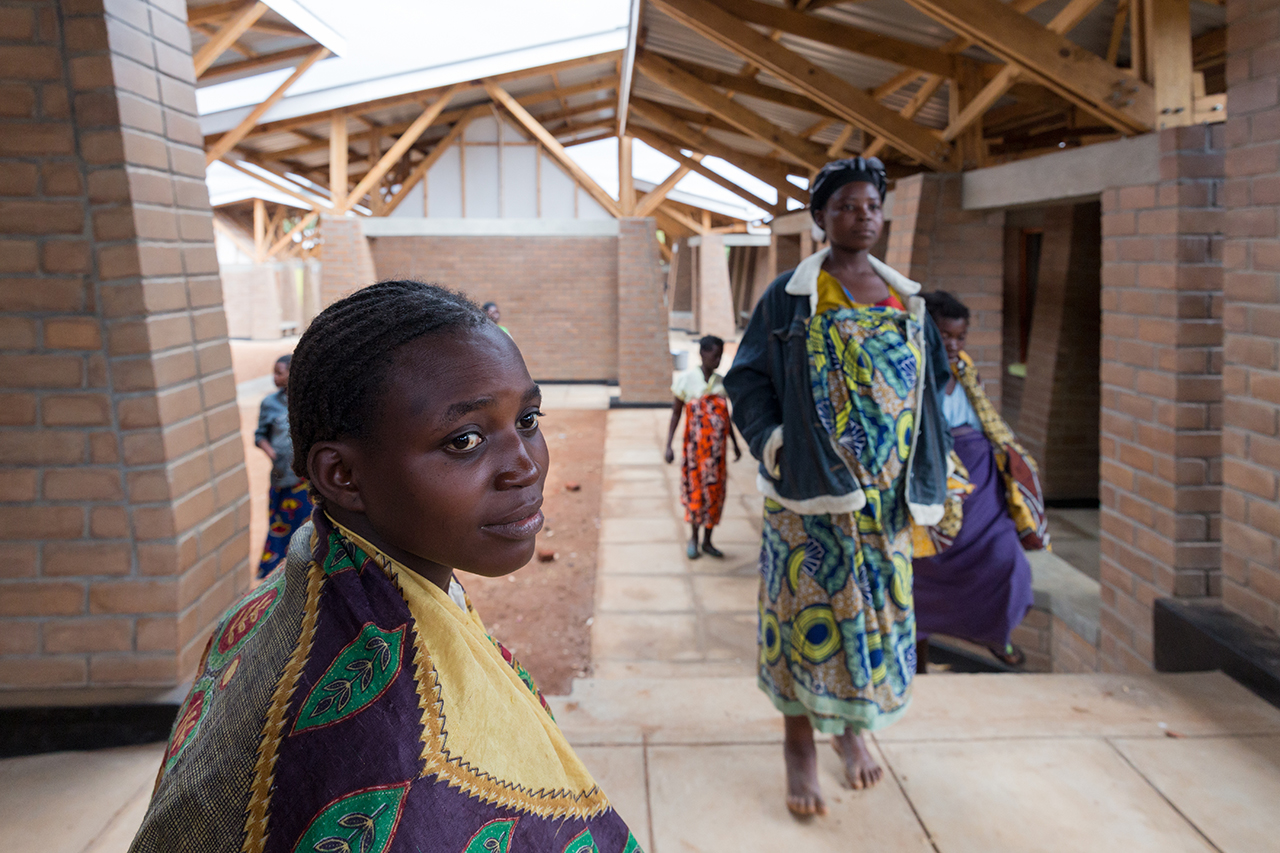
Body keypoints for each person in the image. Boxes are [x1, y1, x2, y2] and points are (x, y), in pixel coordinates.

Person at [130, 281, 641, 853]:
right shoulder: (390, 762)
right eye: (465, 439)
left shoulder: (297, 584)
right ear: (343, 475)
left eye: (527, 419)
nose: (524, 466)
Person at [725, 157, 953, 815]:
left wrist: (926, 476)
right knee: (807, 610)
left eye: (873, 206)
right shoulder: (792, 295)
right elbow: (746, 379)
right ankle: (799, 739)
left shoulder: (906, 298)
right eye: (849, 206)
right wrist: (778, 444)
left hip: (882, 507)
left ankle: (855, 730)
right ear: (822, 217)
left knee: (870, 616)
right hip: (807, 501)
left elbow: (931, 389)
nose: (864, 217)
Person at [913, 290, 1045, 669]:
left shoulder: (967, 371)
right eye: (944, 335)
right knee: (922, 576)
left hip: (983, 490)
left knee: (1006, 561)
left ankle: (995, 635)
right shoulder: (910, 375)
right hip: (934, 487)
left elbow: (986, 423)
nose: (953, 345)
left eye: (960, 337)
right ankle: (917, 660)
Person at [664, 335, 742, 559]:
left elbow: (725, 417)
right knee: (697, 494)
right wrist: (668, 445)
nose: (717, 359)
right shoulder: (687, 380)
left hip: (717, 457)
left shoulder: (721, 382)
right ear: (702, 354)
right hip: (695, 455)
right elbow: (676, 414)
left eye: (720, 355)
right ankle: (694, 538)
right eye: (714, 354)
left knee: (715, 495)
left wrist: (735, 444)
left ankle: (708, 541)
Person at [254, 354, 312, 579]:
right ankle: (275, 572)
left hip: (304, 480)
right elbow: (260, 435)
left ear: (292, 373)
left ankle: (302, 571)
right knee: (279, 522)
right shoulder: (269, 404)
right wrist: (271, 452)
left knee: (305, 524)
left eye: (279, 372)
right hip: (282, 477)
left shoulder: (306, 403)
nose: (275, 377)